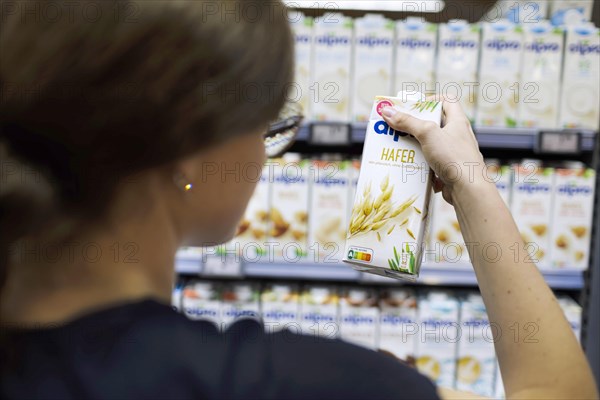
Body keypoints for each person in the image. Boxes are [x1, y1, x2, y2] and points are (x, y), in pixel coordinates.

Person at [0, 1, 597, 399]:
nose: (265, 151)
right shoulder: (291, 384)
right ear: (190, 152)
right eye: (267, 123)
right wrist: (470, 181)